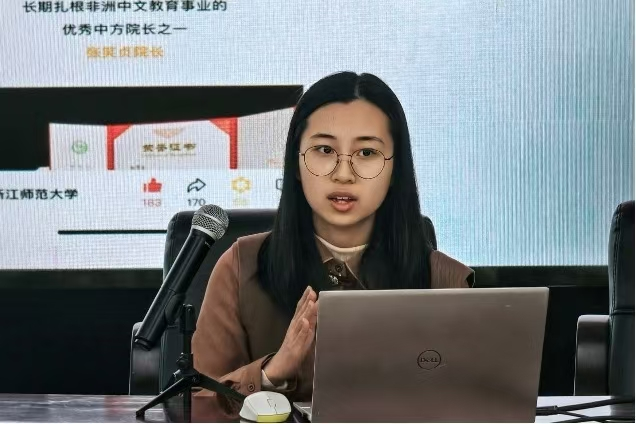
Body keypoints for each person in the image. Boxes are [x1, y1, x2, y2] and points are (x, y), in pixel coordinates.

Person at [191, 72, 474, 417]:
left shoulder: (445, 281)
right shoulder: (241, 267)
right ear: (296, 163)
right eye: (324, 150)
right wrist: (272, 373)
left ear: (394, 170)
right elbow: (196, 406)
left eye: (367, 152)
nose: (343, 173)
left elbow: (475, 406)